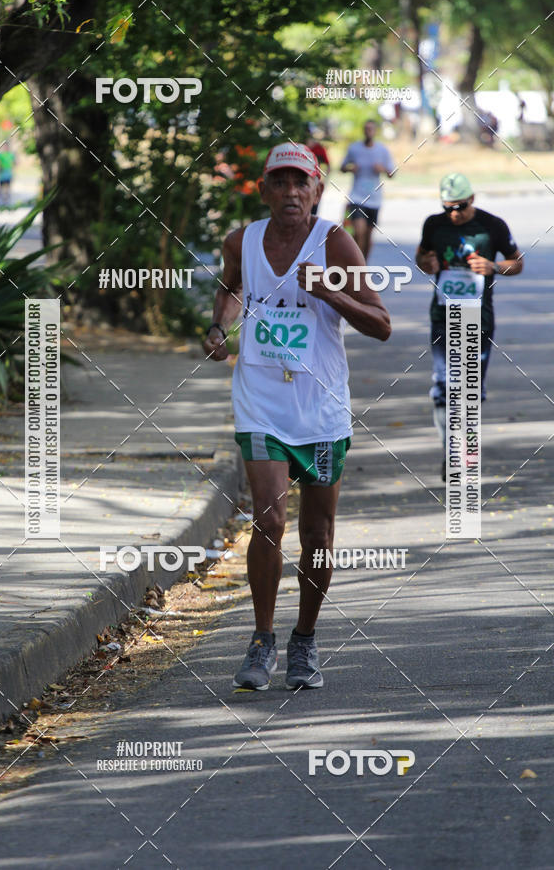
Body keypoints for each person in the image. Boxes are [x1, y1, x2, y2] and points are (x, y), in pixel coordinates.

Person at [203, 143, 391, 691]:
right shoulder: (241, 240)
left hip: (321, 408)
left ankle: (304, 639)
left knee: (318, 532)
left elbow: (380, 323)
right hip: (261, 400)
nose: (291, 193)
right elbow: (234, 286)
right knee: (270, 519)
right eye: (279, 183)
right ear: (263, 190)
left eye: (300, 184)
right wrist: (219, 329)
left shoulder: (335, 243)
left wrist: (331, 291)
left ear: (317, 191)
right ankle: (262, 640)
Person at [416, 172, 523, 480]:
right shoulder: (434, 224)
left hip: (479, 320)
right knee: (442, 388)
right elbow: (421, 257)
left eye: (460, 206)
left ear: (472, 199)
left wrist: (493, 267)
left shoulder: (493, 226)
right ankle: (452, 453)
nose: (454, 213)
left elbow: (518, 263)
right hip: (442, 316)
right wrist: (428, 264)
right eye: (448, 206)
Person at [340, 119, 395, 259]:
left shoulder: (382, 150)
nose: (368, 131)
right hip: (357, 197)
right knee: (359, 232)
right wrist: (350, 168)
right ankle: (356, 264)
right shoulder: (354, 148)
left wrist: (382, 169)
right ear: (363, 131)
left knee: (368, 236)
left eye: (371, 129)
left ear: (375, 131)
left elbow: (392, 173)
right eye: (366, 129)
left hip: (375, 199)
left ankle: (363, 264)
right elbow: (342, 167)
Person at [306, 136, 330, 216]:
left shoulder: (319, 149)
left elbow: (328, 165)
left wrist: (325, 179)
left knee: (314, 206)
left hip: (314, 179)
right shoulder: (302, 147)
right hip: (303, 178)